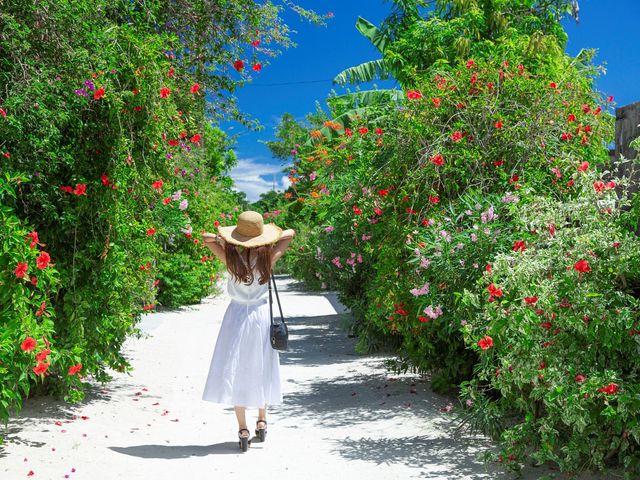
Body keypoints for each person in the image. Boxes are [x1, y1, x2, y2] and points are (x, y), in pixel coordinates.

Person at [201, 210, 295, 452]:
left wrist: (224, 240)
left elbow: (206, 238)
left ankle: (242, 429)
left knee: (237, 367)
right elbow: (289, 235)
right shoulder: (267, 260)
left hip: (236, 316)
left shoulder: (231, 260)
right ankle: (261, 420)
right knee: (261, 365)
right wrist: (270, 238)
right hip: (261, 316)